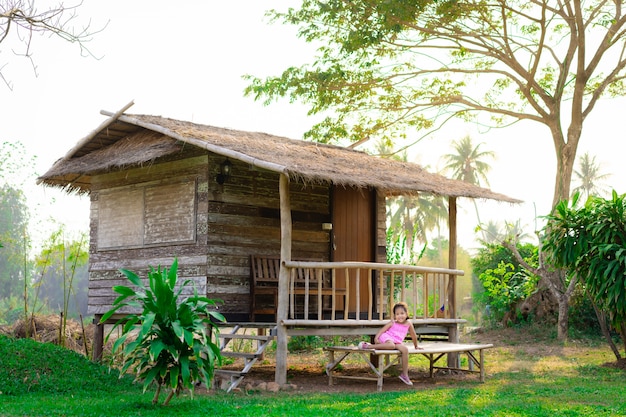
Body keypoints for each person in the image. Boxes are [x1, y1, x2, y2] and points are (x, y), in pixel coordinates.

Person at [357, 302, 421, 386]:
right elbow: (382, 330)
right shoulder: (392, 323)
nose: (400, 316)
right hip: (386, 337)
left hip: (397, 341)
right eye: (397, 314)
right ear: (394, 316)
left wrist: (416, 346)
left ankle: (404, 375)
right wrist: (376, 338)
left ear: (406, 314)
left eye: (402, 313)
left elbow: (413, 335)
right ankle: (368, 346)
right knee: (391, 345)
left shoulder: (408, 324)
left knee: (405, 350)